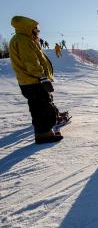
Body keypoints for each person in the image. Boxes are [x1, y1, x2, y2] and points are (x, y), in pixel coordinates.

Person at [9, 16, 64, 144]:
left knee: (39, 106)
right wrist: (43, 78)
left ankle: (44, 131)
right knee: (42, 107)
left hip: (31, 81)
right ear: (28, 28)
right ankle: (44, 134)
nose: (38, 31)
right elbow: (31, 63)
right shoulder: (22, 40)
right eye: (36, 28)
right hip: (33, 81)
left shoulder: (25, 39)